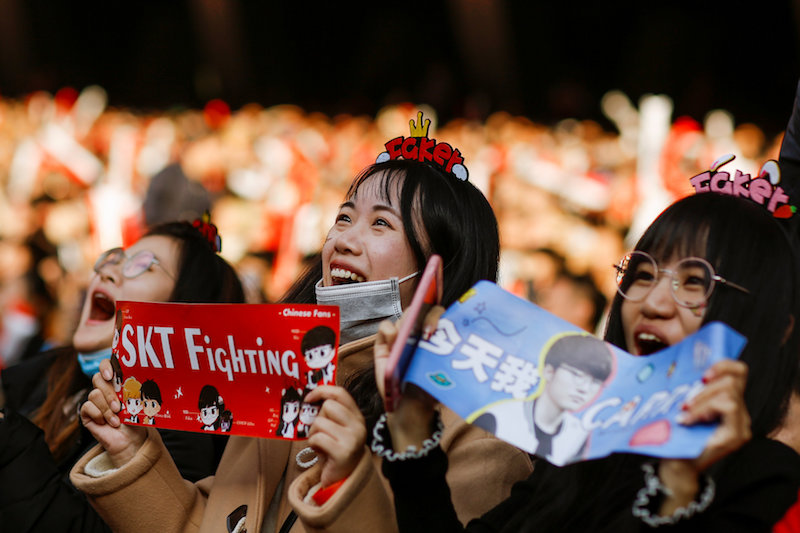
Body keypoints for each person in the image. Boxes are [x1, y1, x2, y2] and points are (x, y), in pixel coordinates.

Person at [70, 137, 534, 532]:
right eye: (345, 217)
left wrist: (350, 485)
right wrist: (134, 455)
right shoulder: (278, 372)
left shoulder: (482, 427)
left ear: (441, 271)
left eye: (380, 224)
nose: (343, 241)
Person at [374, 189, 800, 531]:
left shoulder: (769, 480)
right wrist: (410, 426)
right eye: (644, 274)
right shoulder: (580, 452)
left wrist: (680, 492)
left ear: (775, 326)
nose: (652, 303)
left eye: (694, 283)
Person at [0, 219, 246, 532]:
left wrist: (9, 439)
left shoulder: (176, 430)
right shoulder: (48, 372)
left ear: (184, 312)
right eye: (117, 258)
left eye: (144, 265)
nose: (107, 271)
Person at [471, 332, 614, 465]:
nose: (584, 388)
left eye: (595, 382)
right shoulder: (498, 417)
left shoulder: (579, 436)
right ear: (549, 371)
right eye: (577, 375)